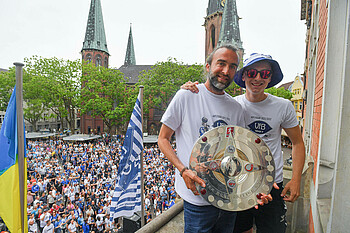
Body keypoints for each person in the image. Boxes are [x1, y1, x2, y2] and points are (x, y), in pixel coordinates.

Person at [182, 53, 306, 233]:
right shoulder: (232, 105)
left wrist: (296, 180)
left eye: (264, 74)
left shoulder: (283, 106)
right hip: (239, 185)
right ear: (244, 75)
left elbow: (297, 143)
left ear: (270, 78)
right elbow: (207, 102)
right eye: (252, 72)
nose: (257, 78)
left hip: (272, 184)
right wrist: (190, 90)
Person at [158, 44, 271, 233]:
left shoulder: (236, 108)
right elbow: (163, 139)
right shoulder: (186, 96)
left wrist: (259, 185)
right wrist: (184, 170)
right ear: (208, 66)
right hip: (196, 201)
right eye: (221, 63)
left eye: (233, 66)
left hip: (227, 199)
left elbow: (241, 154)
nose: (226, 71)